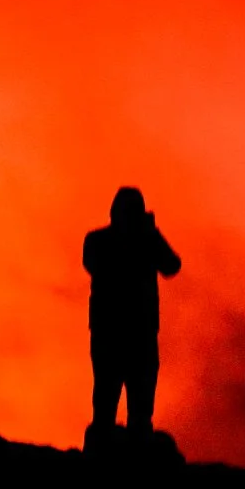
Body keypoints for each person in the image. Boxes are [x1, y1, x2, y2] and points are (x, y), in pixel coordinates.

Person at [82, 186, 181, 440]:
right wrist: (140, 240)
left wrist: (153, 236)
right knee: (105, 400)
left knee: (141, 404)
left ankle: (137, 451)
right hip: (110, 332)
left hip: (141, 332)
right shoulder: (97, 241)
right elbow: (94, 265)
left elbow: (172, 266)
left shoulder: (147, 240)